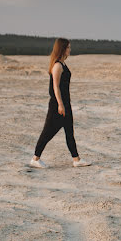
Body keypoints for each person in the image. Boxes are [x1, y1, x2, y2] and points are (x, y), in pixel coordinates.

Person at [30, 38, 91, 168]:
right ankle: (35, 158)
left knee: (69, 132)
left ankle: (76, 159)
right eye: (68, 47)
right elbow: (55, 87)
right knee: (47, 132)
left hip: (65, 103)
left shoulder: (63, 64)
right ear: (62, 49)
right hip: (57, 105)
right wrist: (60, 104)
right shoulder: (57, 66)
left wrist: (65, 104)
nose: (70, 49)